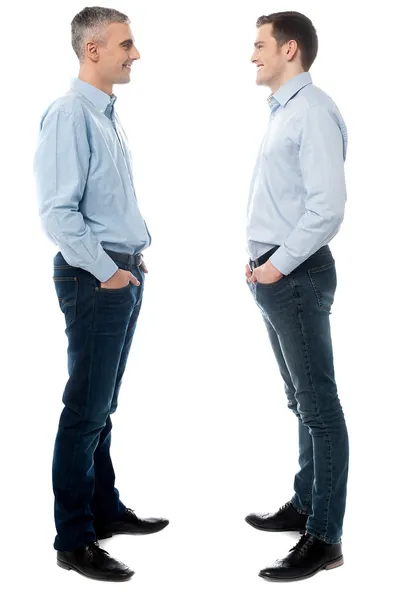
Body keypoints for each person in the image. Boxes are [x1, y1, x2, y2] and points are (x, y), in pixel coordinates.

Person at [33, 6, 168, 582]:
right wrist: (106, 272)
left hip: (120, 271)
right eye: (126, 44)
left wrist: (128, 266)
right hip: (96, 277)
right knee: (85, 409)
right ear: (93, 49)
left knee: (101, 406)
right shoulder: (69, 115)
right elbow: (58, 214)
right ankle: (74, 537)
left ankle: (103, 509)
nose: (134, 54)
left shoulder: (105, 114)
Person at [244, 11, 349, 582]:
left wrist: (277, 264)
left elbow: (326, 208)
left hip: (297, 276)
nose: (252, 55)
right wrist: (261, 261)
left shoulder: (312, 111)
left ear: (290, 50)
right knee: (301, 402)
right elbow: (285, 198)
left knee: (320, 408)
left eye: (259, 45)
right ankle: (306, 502)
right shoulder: (286, 112)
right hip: (277, 274)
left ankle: (325, 537)